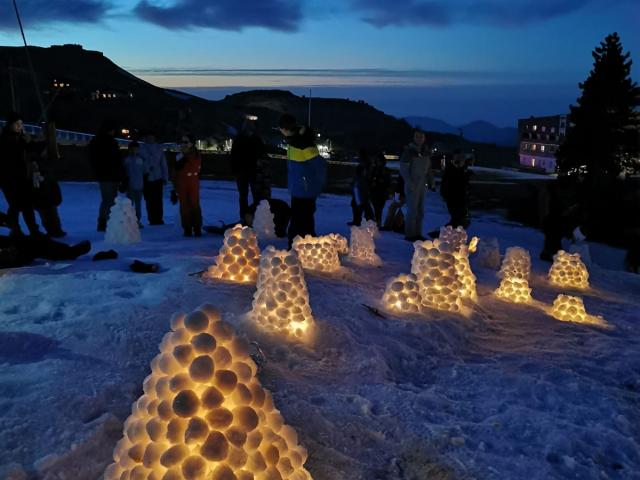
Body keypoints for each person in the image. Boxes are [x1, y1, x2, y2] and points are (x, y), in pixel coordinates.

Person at [278, 114, 327, 247]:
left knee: (300, 220)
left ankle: (296, 247)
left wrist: (317, 185)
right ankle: (306, 245)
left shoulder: (302, 144)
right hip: (300, 188)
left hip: (305, 189)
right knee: (304, 219)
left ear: (284, 129)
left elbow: (319, 166)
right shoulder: (295, 141)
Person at [0, 111, 42, 237]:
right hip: (9, 179)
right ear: (10, 125)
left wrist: (30, 144)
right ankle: (16, 230)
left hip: (22, 177)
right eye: (17, 124)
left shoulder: (22, 138)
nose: (20, 126)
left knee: (27, 205)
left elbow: (31, 154)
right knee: (16, 205)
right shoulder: (5, 140)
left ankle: (33, 230)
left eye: (21, 124)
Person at [539, 174, 587, 261]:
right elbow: (555, 208)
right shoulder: (555, 195)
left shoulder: (557, 194)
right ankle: (554, 255)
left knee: (552, 237)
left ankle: (548, 253)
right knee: (553, 237)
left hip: (555, 219)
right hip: (553, 219)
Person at [399, 128, 435, 241]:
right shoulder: (409, 151)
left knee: (420, 210)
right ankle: (410, 234)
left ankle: (417, 233)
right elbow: (404, 169)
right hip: (413, 183)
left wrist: (431, 182)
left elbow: (428, 169)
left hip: (422, 184)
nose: (419, 139)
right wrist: (409, 183)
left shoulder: (426, 151)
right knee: (412, 210)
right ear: (414, 138)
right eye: (417, 136)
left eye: (421, 136)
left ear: (424, 138)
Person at [89, 120, 125, 231]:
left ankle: (105, 221)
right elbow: (117, 160)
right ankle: (106, 221)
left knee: (108, 199)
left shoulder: (97, 141)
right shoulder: (111, 142)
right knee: (110, 199)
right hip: (109, 174)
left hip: (106, 174)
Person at [230, 118, 268, 224]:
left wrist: (234, 171)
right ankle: (252, 216)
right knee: (251, 196)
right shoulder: (256, 139)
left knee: (246, 196)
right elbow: (262, 154)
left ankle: (247, 217)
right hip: (250, 171)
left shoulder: (240, 139)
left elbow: (233, 157)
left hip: (246, 172)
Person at [0, 225, 91, 269]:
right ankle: (69, 253)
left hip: (9, 250)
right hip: (8, 258)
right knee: (35, 246)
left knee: (34, 240)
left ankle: (68, 250)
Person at [32, 120, 65, 237]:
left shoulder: (45, 156)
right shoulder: (37, 157)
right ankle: (53, 230)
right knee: (46, 211)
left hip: (47, 186)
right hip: (42, 188)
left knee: (51, 210)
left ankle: (56, 229)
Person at [173, 134, 202, 237]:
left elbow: (195, 166)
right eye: (182, 142)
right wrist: (175, 187)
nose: (183, 144)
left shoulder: (195, 154)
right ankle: (187, 227)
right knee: (184, 206)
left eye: (186, 142)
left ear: (191, 143)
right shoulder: (179, 155)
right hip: (182, 182)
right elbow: (175, 172)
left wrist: (185, 158)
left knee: (194, 204)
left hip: (192, 181)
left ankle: (197, 227)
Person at [140, 132, 168, 225]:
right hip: (147, 177)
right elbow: (139, 162)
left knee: (158, 200)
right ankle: (152, 219)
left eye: (152, 137)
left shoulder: (159, 148)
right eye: (149, 137)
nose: (150, 138)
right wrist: (146, 168)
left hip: (158, 177)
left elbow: (163, 164)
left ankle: (159, 218)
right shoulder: (141, 148)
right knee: (149, 199)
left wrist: (165, 177)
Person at [440, 150, 471, 229]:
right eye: (458, 158)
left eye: (462, 159)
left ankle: (450, 233)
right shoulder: (450, 169)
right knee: (456, 218)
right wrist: (445, 195)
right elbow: (445, 183)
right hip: (452, 197)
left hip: (461, 198)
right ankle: (446, 233)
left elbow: (465, 184)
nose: (460, 161)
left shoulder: (464, 170)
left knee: (461, 218)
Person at [349, 149, 375, 226]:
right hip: (359, 187)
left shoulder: (366, 166)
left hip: (362, 187)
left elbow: (365, 177)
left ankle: (368, 219)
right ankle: (359, 219)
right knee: (357, 204)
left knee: (363, 204)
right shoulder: (363, 165)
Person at [123, 141, 145, 227]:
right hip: (130, 185)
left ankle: (137, 220)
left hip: (139, 185)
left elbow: (144, 171)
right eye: (132, 149)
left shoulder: (140, 160)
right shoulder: (127, 160)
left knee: (138, 204)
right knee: (130, 204)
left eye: (136, 149)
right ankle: (129, 220)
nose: (134, 150)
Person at [370, 153, 392, 226]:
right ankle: (377, 222)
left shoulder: (385, 171)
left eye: (380, 161)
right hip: (375, 191)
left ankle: (377, 222)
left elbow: (388, 182)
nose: (379, 162)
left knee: (379, 208)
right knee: (377, 208)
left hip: (382, 192)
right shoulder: (374, 170)